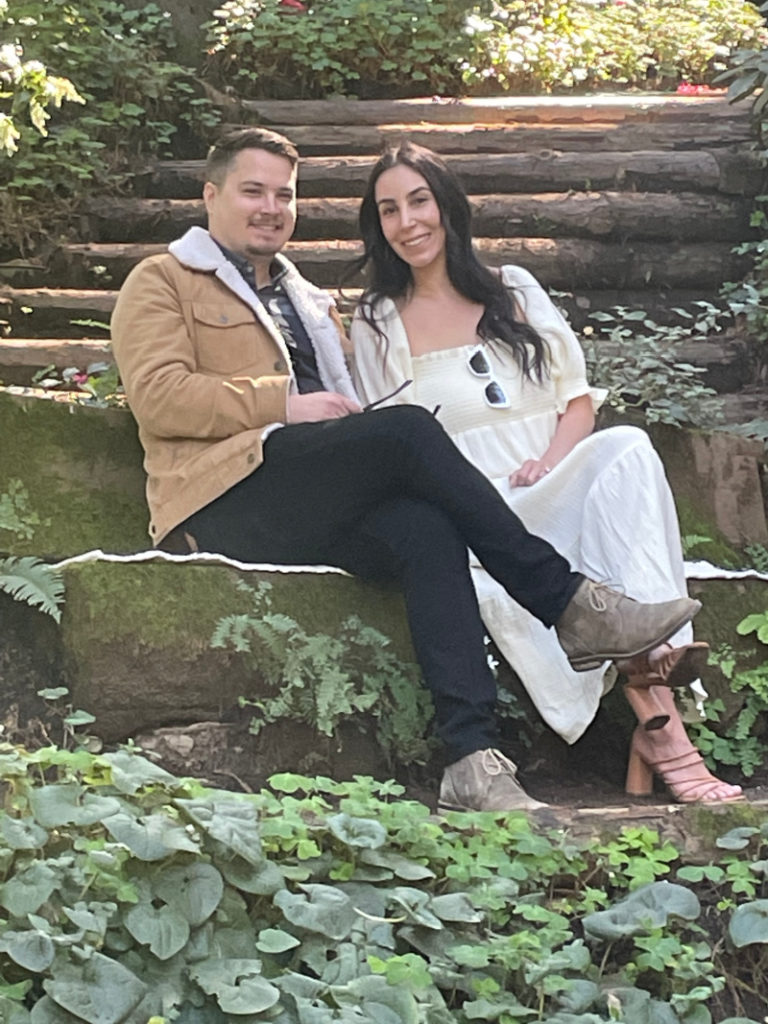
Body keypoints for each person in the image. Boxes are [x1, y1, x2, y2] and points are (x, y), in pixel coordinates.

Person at [110, 126, 704, 815]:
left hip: (304, 493)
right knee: (406, 430)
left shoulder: (306, 300)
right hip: (220, 496)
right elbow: (157, 396)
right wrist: (285, 404)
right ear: (211, 196)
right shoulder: (162, 280)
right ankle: (569, 603)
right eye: (253, 191)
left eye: (284, 194)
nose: (270, 207)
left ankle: (471, 759)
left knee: (425, 529)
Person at [350, 140, 744, 805]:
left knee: (625, 451)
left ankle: (651, 646)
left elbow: (577, 399)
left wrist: (553, 462)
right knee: (584, 524)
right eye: (389, 210)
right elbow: (392, 443)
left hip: (551, 480)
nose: (408, 221)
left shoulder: (514, 289)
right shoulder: (376, 321)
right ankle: (664, 732)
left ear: (447, 205)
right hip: (478, 509)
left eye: (419, 200)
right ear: (378, 226)